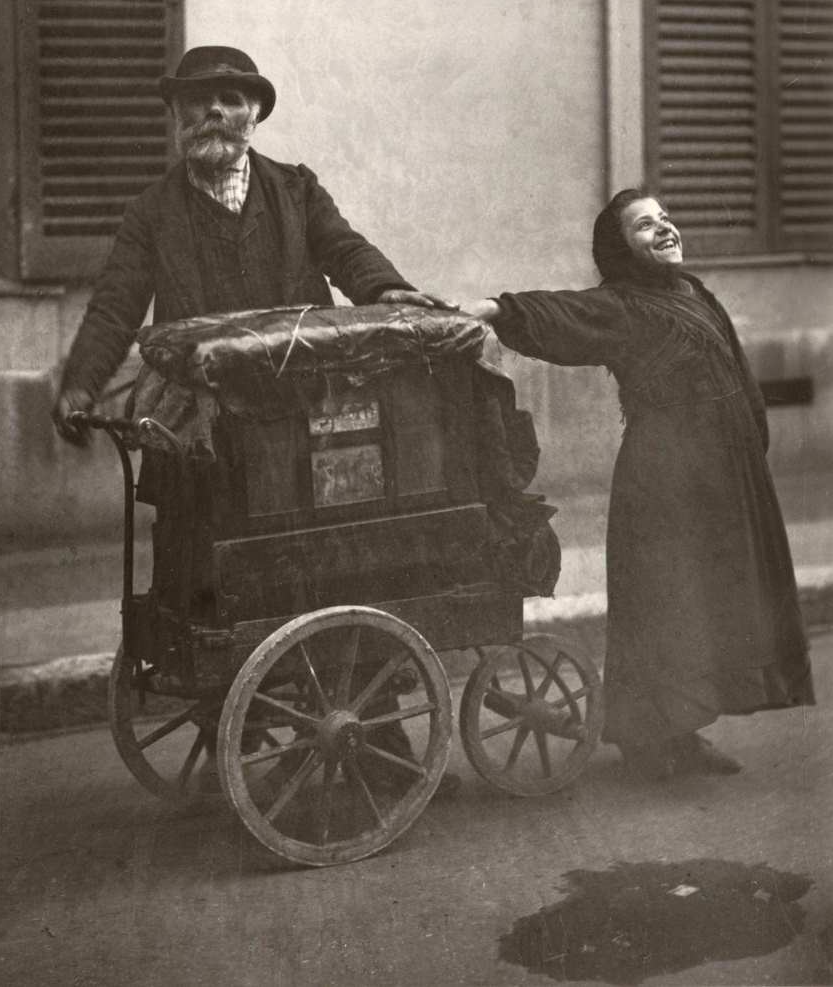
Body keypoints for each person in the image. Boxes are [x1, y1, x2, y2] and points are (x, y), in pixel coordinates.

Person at [52, 43, 455, 793]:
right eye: (199, 99)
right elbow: (115, 304)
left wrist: (388, 289)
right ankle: (251, 711)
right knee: (207, 570)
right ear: (175, 116)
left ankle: (379, 728)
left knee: (339, 560)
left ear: (253, 115)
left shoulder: (295, 191)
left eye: (231, 99)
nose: (214, 111)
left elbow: (345, 250)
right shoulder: (151, 212)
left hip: (305, 421)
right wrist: (81, 384)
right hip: (201, 430)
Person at [464, 188, 814, 781]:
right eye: (644, 226)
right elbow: (562, 313)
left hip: (723, 478)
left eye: (665, 219)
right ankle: (648, 742)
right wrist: (495, 309)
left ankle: (687, 732)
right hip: (665, 481)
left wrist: (751, 443)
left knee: (706, 603)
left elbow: (737, 371)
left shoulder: (695, 294)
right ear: (620, 249)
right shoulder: (622, 306)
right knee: (666, 603)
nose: (665, 229)